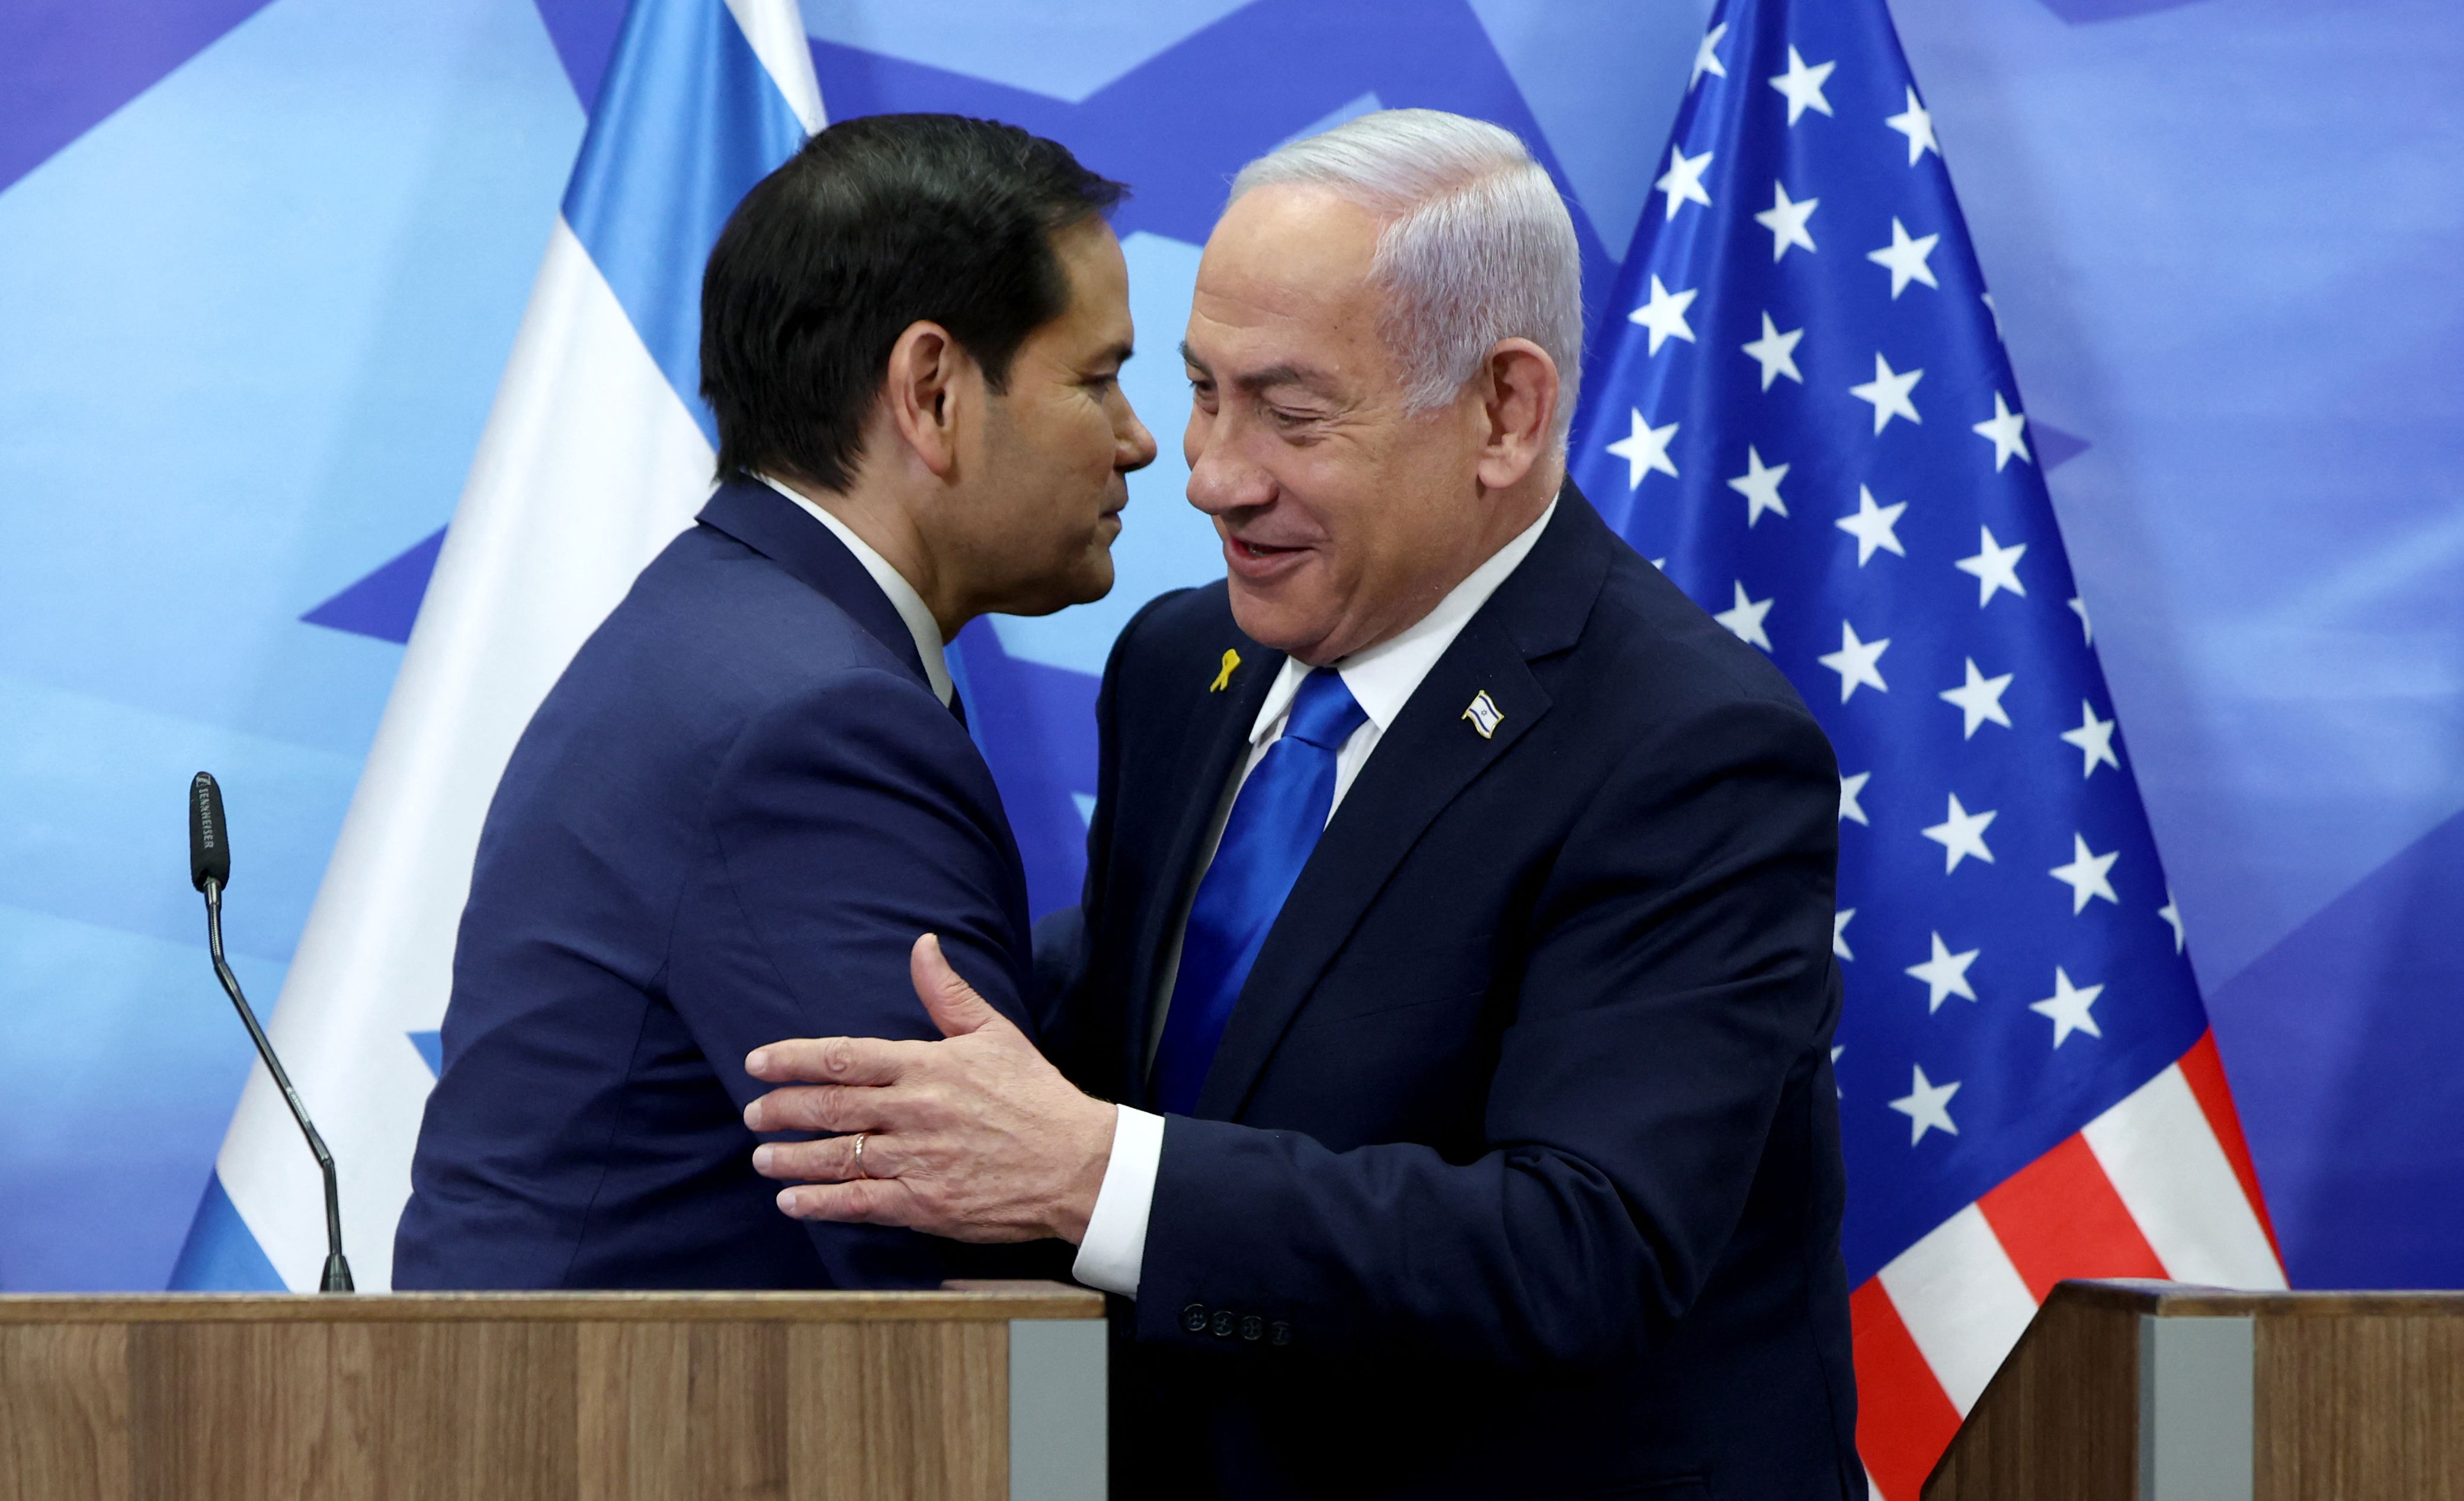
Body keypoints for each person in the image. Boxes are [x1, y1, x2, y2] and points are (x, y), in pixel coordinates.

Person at [739, 109, 1864, 1497]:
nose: (1212, 473)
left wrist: (1098, 1175)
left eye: (1291, 410)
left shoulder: (1691, 748)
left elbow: (1585, 1247)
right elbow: (1186, 1024)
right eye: (1204, 388)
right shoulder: (1181, 666)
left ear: (1503, 412)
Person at [393, 113, 1155, 1290]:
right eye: (1097, 379)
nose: (1139, 440)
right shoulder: (814, 721)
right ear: (933, 391)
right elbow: (959, 1267)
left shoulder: (729, 628)